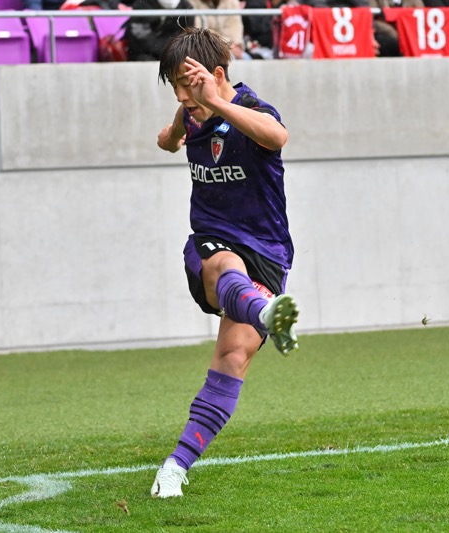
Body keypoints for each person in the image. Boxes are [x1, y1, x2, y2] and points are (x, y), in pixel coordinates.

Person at [150, 26, 299, 498]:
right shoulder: (190, 113)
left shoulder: (252, 110)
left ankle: (175, 466)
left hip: (267, 252)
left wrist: (215, 103)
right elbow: (165, 142)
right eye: (174, 84)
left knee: (232, 358)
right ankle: (266, 313)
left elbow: (278, 136)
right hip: (212, 241)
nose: (180, 94)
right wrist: (179, 123)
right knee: (222, 266)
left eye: (186, 83)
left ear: (215, 75)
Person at [125, 0, 195, 61]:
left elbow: (186, 40)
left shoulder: (186, 8)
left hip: (172, 54)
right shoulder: (142, 5)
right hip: (144, 54)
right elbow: (139, 39)